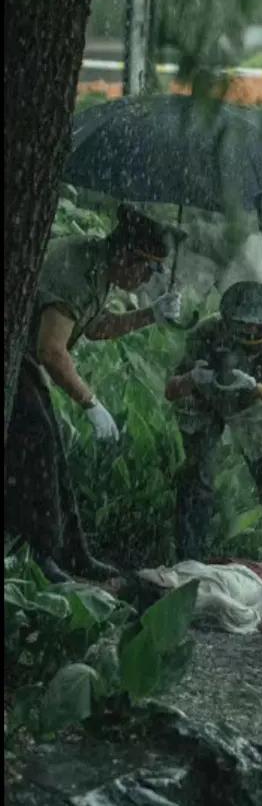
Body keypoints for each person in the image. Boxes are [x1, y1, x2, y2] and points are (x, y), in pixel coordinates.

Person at [5, 206, 184, 582]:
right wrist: (90, 402)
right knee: (37, 441)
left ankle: (72, 551)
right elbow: (51, 350)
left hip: (22, 354)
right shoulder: (81, 269)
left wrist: (151, 314)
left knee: (52, 448)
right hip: (15, 352)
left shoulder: (99, 266)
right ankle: (39, 554)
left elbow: (95, 327)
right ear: (128, 256)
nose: (148, 278)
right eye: (148, 269)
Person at [164, 281, 262, 563]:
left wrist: (254, 386)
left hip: (254, 402)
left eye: (258, 329)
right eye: (243, 327)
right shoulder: (207, 332)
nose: (250, 333)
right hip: (205, 401)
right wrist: (193, 378)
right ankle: (190, 560)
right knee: (197, 481)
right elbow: (171, 390)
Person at [116, 558, 262, 635]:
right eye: (159, 573)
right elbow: (260, 621)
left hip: (245, 569)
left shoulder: (176, 573)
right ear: (162, 588)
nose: (161, 567)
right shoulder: (199, 601)